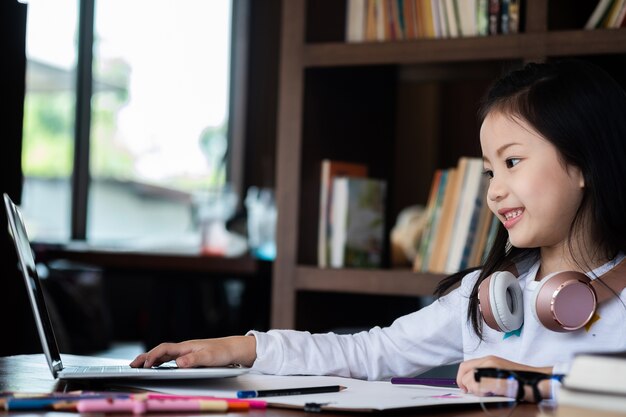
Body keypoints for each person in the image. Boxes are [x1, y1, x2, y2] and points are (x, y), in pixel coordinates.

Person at [130, 60, 626, 401]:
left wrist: (541, 381)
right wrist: (240, 348)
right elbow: (369, 351)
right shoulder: (488, 294)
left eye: (513, 161)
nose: (494, 191)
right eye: (490, 172)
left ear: (583, 162)